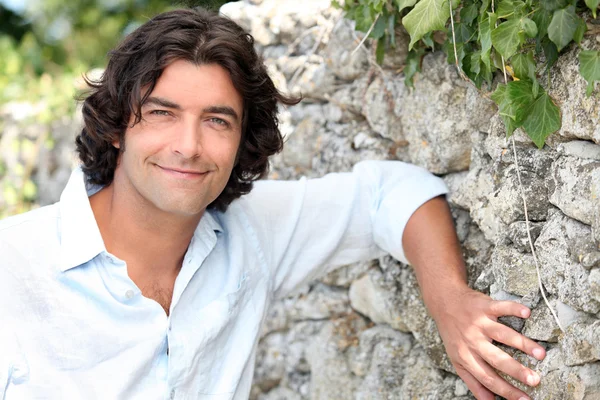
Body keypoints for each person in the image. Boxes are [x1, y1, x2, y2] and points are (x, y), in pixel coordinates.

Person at [0, 7, 546, 400]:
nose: (188, 146)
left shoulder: (252, 231)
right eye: (162, 113)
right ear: (118, 125)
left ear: (242, 141)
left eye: (217, 120)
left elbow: (389, 192)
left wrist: (448, 299)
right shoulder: (13, 268)